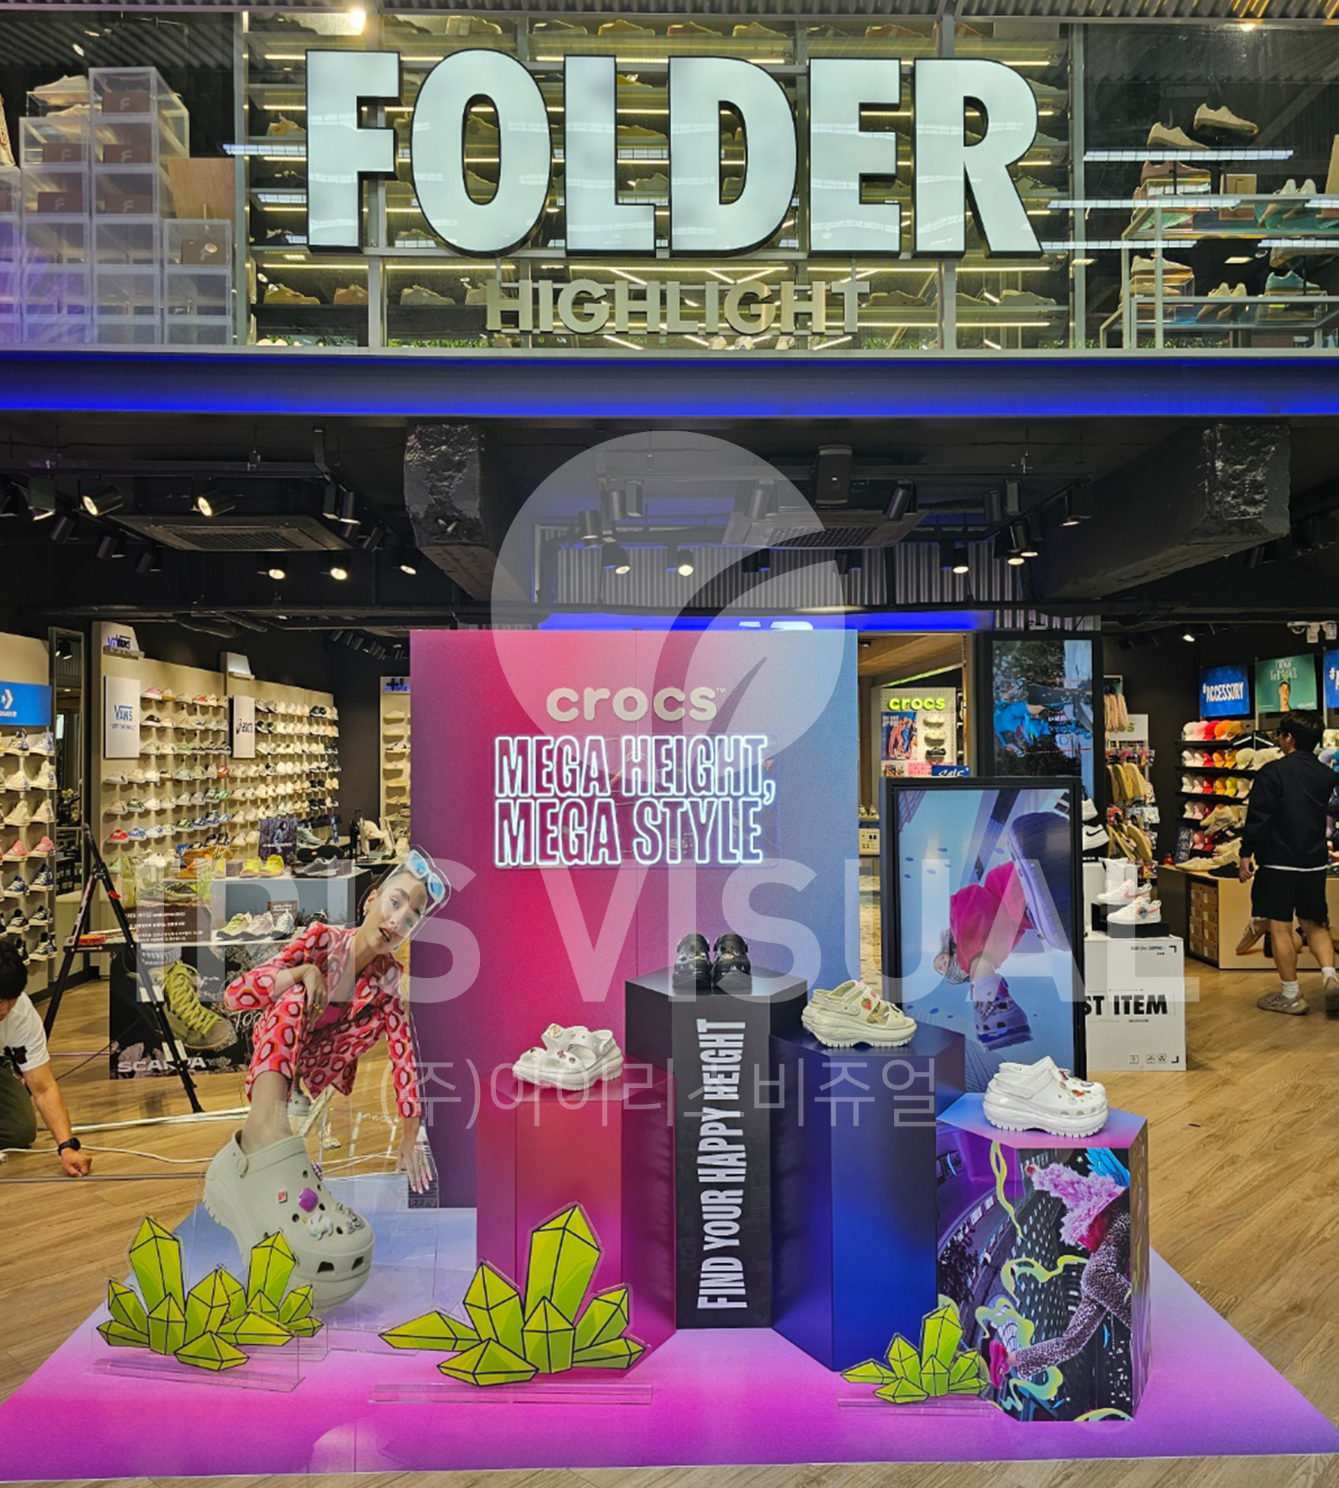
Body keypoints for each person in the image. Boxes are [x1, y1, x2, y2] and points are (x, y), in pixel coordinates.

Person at [204, 850, 449, 1307]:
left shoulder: (388, 981)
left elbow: (403, 1055)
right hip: (275, 1049)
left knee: (389, 1013)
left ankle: (280, 1171)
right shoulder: (321, 939)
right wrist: (302, 970)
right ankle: (265, 1131)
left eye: (411, 918)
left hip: (312, 1075)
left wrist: (410, 1133)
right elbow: (236, 995)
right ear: (371, 901)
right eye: (395, 902)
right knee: (297, 991)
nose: (398, 920)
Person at [1238, 711, 1339, 1016]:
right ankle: (1330, 977)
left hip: (1278, 861)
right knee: (1315, 924)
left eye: (1281, 735)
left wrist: (1246, 853)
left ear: (1289, 738)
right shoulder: (1327, 775)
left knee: (1280, 927)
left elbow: (1259, 818)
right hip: (1314, 861)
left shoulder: (1272, 772)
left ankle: (1292, 995)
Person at [0, 938, 93, 1176]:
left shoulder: (22, 1013)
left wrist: (67, 1147)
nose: (5, 1010)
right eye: (0, 1001)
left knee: (20, 1130)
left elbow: (43, 1088)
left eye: (11, 999)